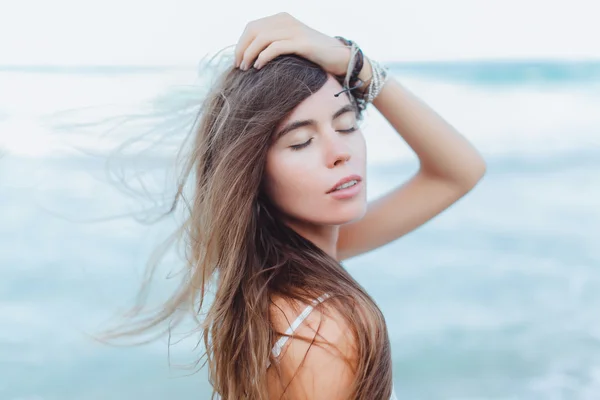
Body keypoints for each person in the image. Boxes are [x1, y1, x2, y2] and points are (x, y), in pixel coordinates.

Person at [108, 12, 486, 400]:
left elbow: (459, 172)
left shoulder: (278, 271)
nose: (340, 153)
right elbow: (458, 173)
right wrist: (357, 64)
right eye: (301, 141)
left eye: (346, 125)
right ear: (254, 173)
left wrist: (354, 63)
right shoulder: (322, 328)